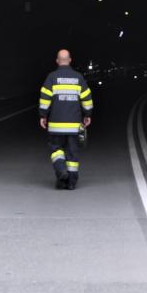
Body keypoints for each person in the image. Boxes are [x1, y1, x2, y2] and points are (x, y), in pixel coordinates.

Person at [39, 49, 93, 190]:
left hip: (56, 125)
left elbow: (45, 99)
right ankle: (71, 183)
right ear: (69, 60)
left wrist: (43, 115)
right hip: (73, 125)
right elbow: (87, 99)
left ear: (57, 61)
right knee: (72, 153)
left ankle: (61, 170)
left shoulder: (51, 77)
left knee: (56, 149)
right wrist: (87, 115)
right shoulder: (78, 78)